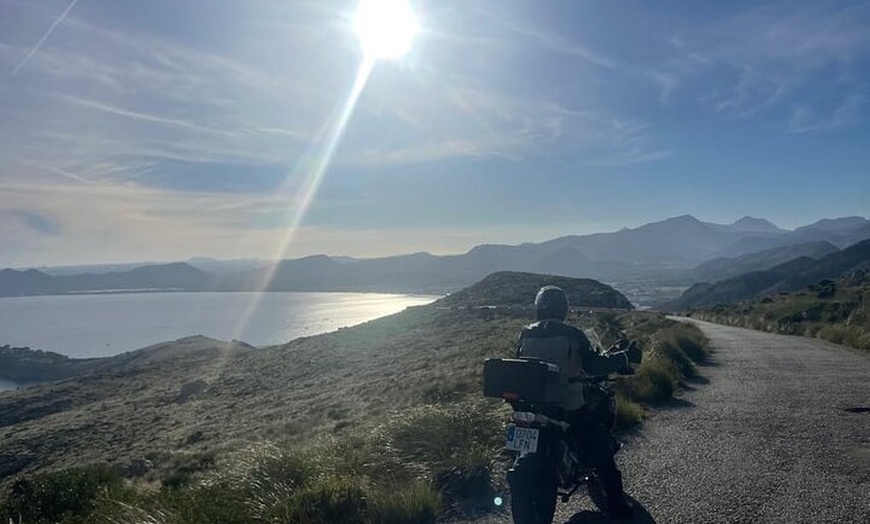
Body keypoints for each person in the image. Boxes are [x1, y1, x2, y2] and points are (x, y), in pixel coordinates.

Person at [515, 285, 641, 519]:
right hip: (568, 406)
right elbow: (595, 365)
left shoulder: (525, 334)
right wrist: (625, 356)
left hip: (534, 406)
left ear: (539, 308)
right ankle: (617, 504)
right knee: (601, 446)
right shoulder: (572, 334)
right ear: (563, 309)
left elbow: (520, 363)